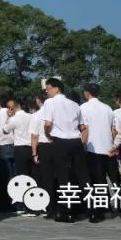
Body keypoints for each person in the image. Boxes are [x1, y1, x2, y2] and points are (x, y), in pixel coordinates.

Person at [40, 78, 89, 223]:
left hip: (60, 142)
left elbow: (48, 123)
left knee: (64, 177)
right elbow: (83, 128)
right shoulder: (74, 104)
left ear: (56, 89)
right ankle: (92, 209)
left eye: (48, 89)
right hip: (76, 141)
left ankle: (67, 212)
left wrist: (47, 134)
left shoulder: (50, 102)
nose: (47, 92)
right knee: (82, 176)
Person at [79, 83, 115, 222]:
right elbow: (113, 128)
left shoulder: (83, 108)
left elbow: (83, 128)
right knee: (109, 179)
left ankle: (99, 209)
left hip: (92, 148)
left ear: (87, 93)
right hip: (108, 147)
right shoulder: (107, 108)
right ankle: (111, 208)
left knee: (96, 181)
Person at [3, 99, 32, 215]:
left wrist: (8, 117)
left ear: (11, 108)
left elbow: (5, 130)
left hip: (20, 149)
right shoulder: (30, 116)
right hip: (31, 147)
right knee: (33, 176)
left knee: (23, 178)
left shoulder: (14, 119)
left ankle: (27, 206)